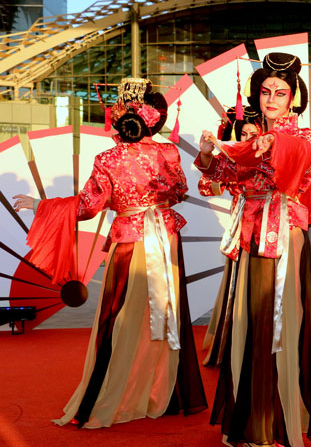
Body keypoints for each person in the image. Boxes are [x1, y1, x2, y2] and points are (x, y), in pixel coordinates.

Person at [13, 77, 207, 428]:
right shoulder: (168, 153)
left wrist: (43, 205)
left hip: (131, 241)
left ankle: (111, 392)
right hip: (165, 237)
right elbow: (179, 191)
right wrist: (154, 197)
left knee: (119, 318)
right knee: (167, 314)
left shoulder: (108, 158)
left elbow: (88, 206)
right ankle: (167, 393)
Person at [197, 53, 311, 447]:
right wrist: (208, 154)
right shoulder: (249, 137)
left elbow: (297, 160)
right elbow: (223, 174)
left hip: (282, 232)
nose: (271, 99)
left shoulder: (305, 137)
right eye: (266, 91)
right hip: (250, 233)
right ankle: (250, 416)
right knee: (250, 322)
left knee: (276, 322)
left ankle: (271, 421)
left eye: (280, 93)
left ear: (293, 98)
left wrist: (273, 143)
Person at [198, 114, 263, 368]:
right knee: (238, 278)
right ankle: (235, 341)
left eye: (253, 134)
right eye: (243, 134)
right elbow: (207, 186)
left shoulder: (272, 155)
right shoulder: (231, 158)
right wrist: (208, 156)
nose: (247, 139)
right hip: (241, 222)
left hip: (270, 221)